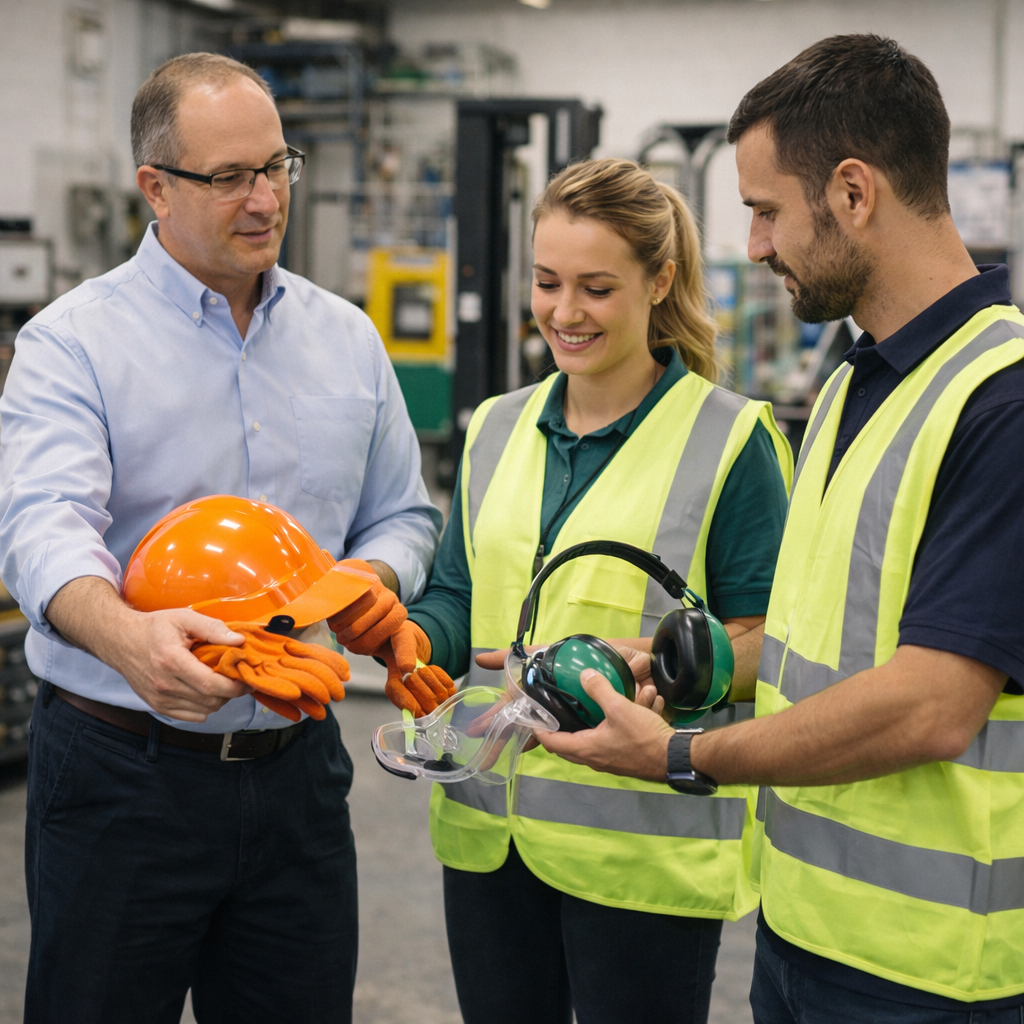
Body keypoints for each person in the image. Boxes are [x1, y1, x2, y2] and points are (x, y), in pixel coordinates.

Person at [539, 35, 1024, 1024]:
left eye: (764, 212)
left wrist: (683, 754)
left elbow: (932, 704)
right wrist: (690, 662)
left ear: (852, 193)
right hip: (806, 933)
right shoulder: (853, 378)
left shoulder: (1000, 399)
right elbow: (834, 633)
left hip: (940, 974)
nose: (755, 247)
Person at [0, 53, 441, 1023]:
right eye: (230, 176)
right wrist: (129, 640)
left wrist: (363, 582)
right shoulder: (73, 345)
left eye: (277, 166)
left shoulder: (346, 338)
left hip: (298, 773)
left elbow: (403, 513)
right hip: (124, 772)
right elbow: (41, 531)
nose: (264, 198)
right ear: (154, 187)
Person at [402, 158, 792, 1024]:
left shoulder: (730, 439)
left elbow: (776, 640)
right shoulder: (497, 427)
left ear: (661, 282)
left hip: (640, 852)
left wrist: (677, 665)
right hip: (490, 833)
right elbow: (460, 593)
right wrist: (410, 641)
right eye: (547, 283)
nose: (564, 313)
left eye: (596, 288)